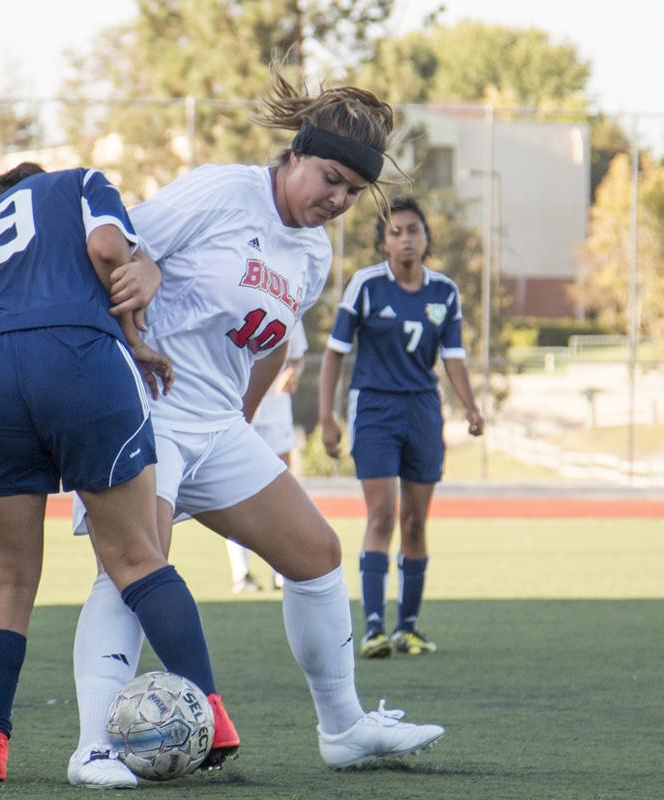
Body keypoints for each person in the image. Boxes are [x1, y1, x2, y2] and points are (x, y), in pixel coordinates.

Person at [68, 66, 446, 787]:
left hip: (214, 421)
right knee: (130, 570)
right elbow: (112, 243)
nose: (336, 199)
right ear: (296, 153)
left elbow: (272, 340)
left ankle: (343, 727)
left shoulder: (315, 252)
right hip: (146, 412)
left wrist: (239, 420)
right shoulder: (223, 190)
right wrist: (143, 269)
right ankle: (92, 747)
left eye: (350, 191)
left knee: (315, 553)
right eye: (329, 178)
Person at [0, 163, 239, 784]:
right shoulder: (77, 180)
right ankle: (216, 718)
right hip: (78, 361)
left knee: (6, 577)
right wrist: (135, 339)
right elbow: (106, 248)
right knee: (137, 558)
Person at [318, 197, 484, 659]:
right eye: (395, 232)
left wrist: (470, 406)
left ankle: (407, 627)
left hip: (423, 412)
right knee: (382, 516)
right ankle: (372, 629)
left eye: (413, 229)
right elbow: (334, 352)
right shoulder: (366, 285)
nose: (405, 238)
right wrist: (326, 416)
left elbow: (453, 359)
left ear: (427, 237)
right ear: (383, 241)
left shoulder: (445, 293)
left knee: (415, 520)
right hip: (373, 409)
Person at [227, 323, 309, 593]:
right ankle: (242, 573)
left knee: (281, 491)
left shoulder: (289, 300)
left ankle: (280, 569)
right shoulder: (230, 294)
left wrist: (291, 373)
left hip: (275, 411)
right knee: (235, 492)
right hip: (236, 411)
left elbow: (296, 358)